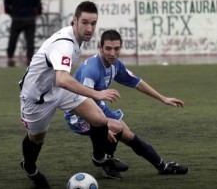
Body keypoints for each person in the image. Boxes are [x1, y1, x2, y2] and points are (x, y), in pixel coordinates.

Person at [19, 1, 125, 189]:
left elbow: (61, 81)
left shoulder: (77, 39)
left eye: (93, 23)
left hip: (59, 89)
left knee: (99, 119)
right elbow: (62, 79)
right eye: (85, 22)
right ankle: (29, 168)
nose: (89, 28)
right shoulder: (64, 44)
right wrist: (96, 94)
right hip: (38, 98)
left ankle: (100, 159)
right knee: (36, 139)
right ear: (74, 21)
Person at [65, 29, 189, 179]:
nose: (112, 53)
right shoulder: (91, 70)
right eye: (108, 49)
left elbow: (136, 82)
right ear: (100, 48)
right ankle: (102, 160)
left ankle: (163, 167)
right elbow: (83, 101)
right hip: (77, 113)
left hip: (96, 106)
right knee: (116, 127)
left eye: (116, 49)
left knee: (128, 134)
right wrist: (103, 129)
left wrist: (162, 98)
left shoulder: (115, 65)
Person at [4, 0, 42, 67]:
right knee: (30, 39)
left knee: (13, 38)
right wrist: (38, 14)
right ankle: (29, 57)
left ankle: (10, 56)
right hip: (29, 18)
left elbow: (6, 3)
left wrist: (10, 13)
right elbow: (38, 4)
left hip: (16, 18)